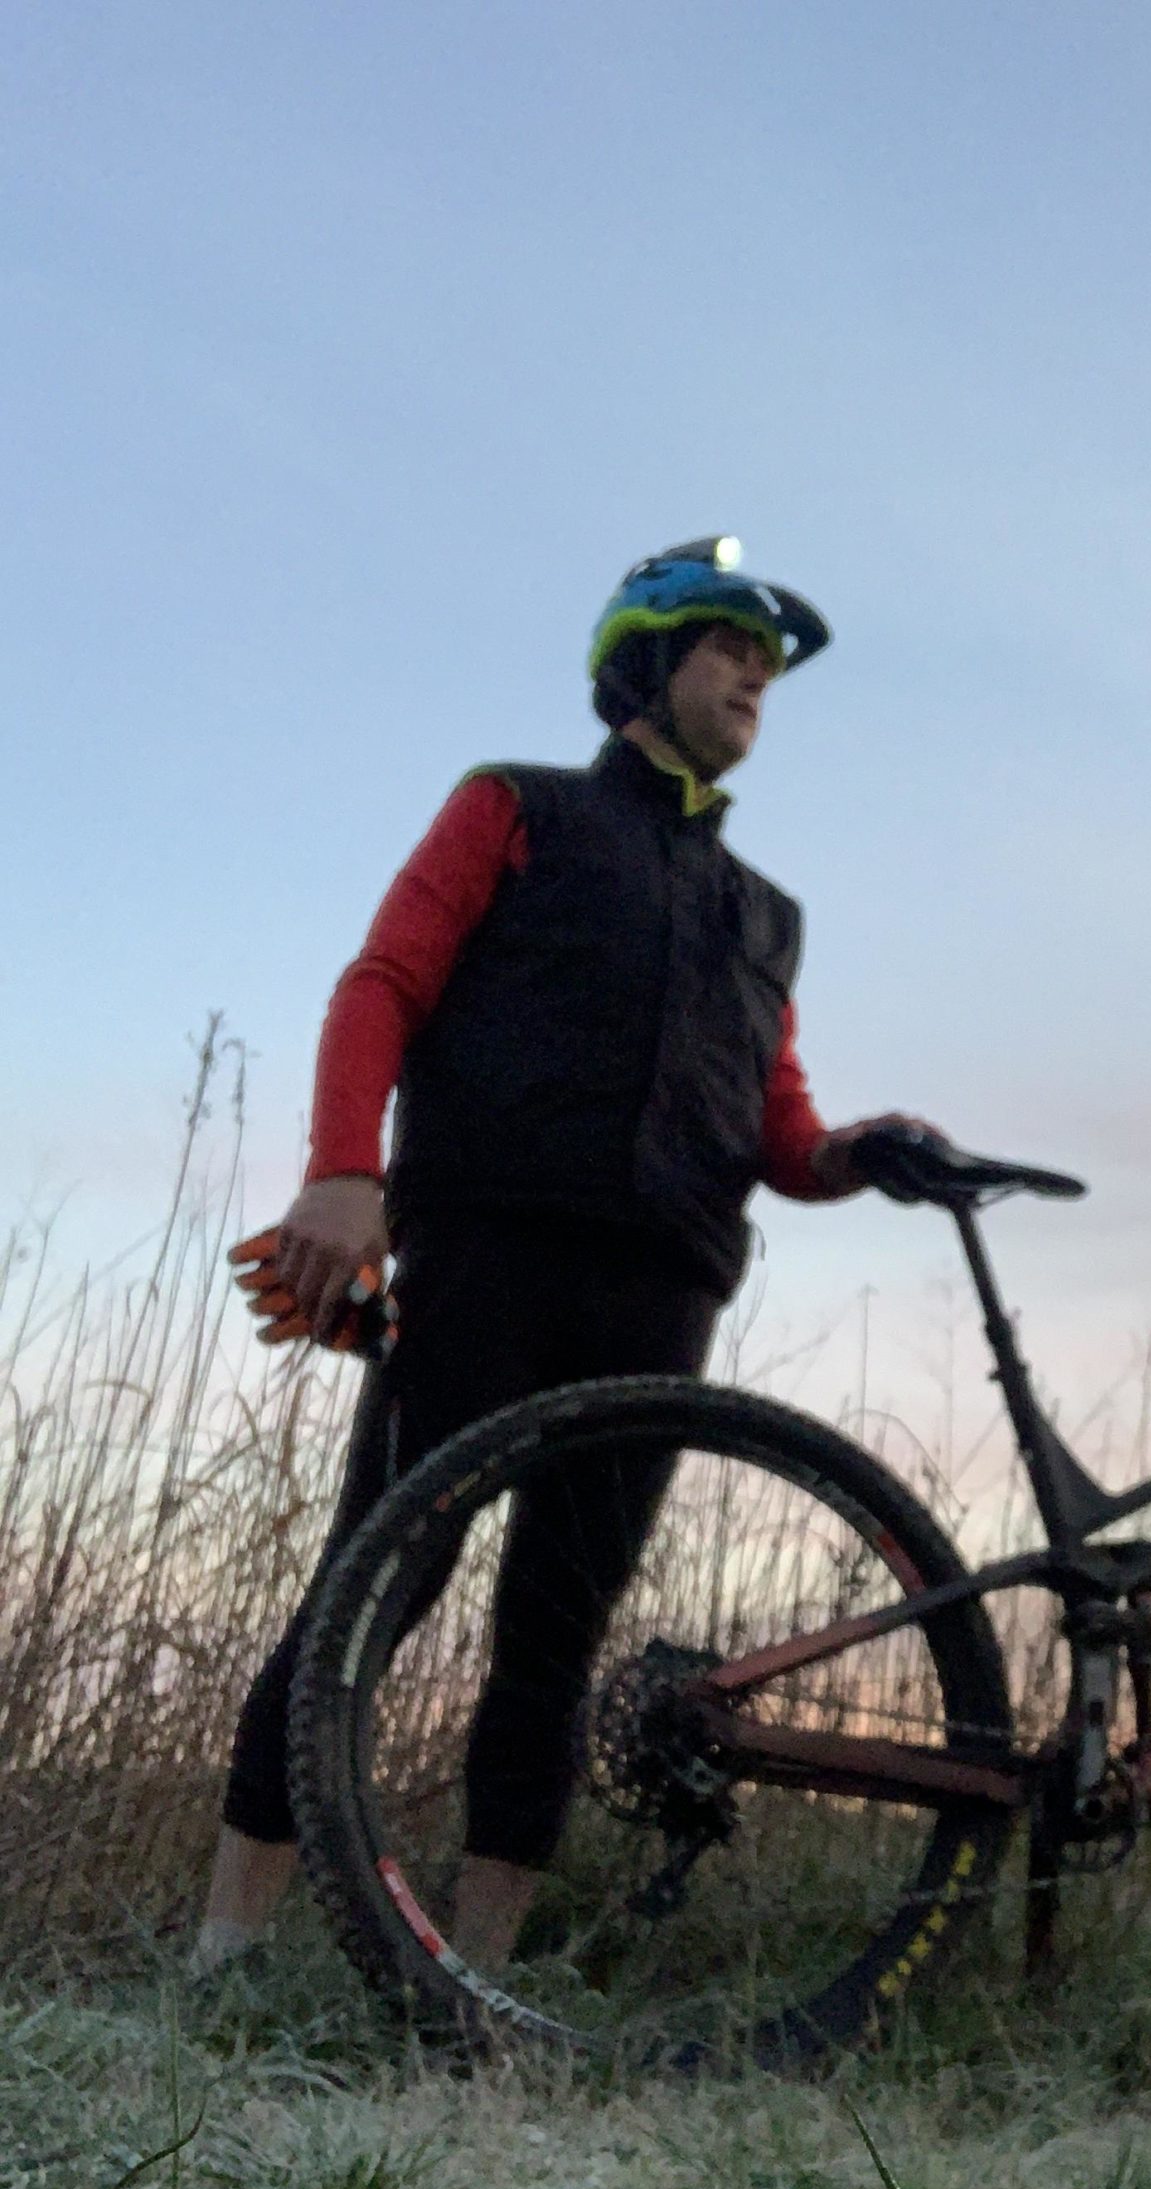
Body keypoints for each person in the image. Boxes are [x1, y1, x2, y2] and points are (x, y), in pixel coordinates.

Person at [196, 537, 925, 1977]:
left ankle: (472, 1993)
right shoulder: (511, 808)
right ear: (645, 665)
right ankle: (219, 1959)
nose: (756, 682)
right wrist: (344, 1175)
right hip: (486, 1250)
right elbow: (382, 984)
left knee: (558, 1628)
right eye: (730, 650)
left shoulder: (766, 914)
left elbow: (778, 1127)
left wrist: (853, 1156)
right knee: (380, 1583)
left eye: (771, 670)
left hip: (661, 1286)